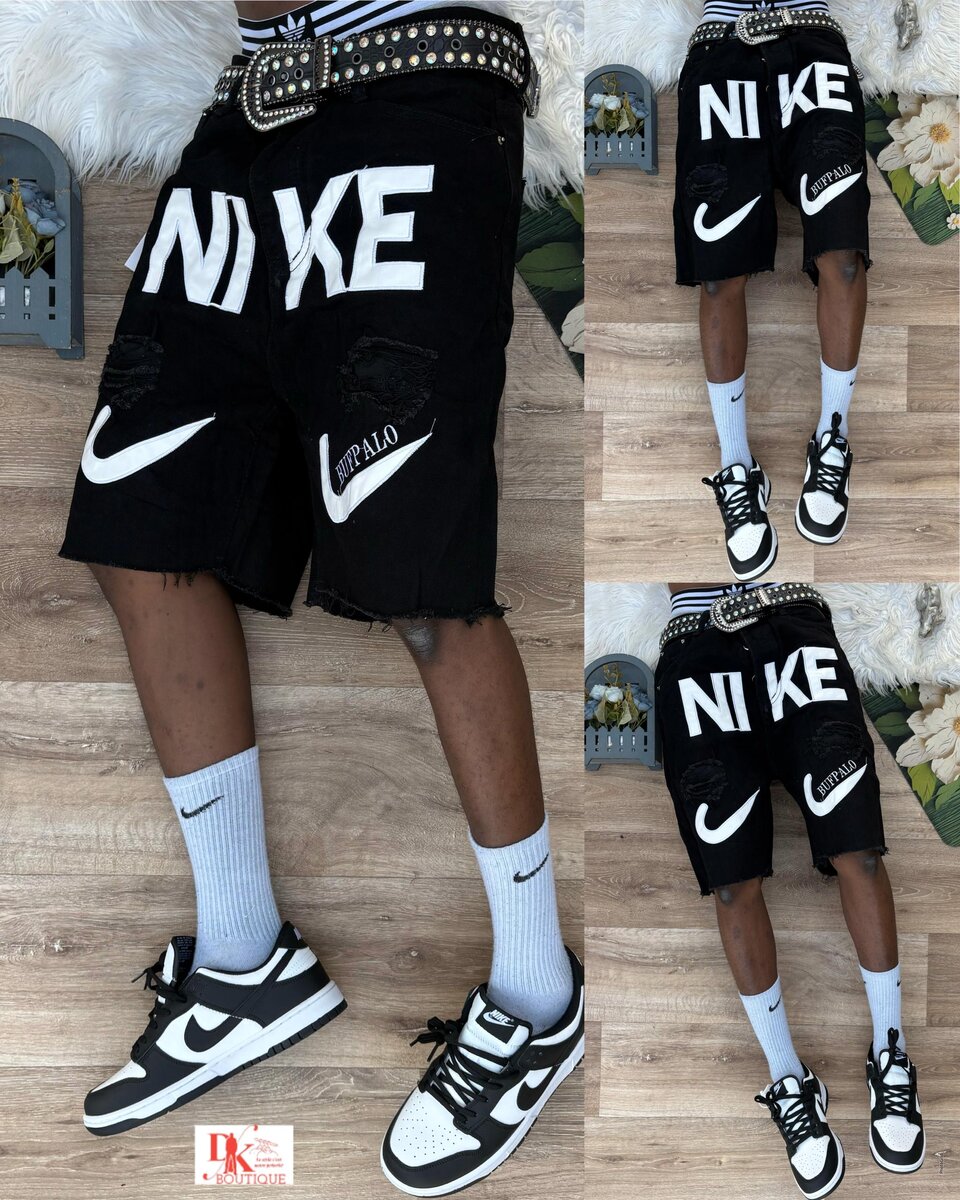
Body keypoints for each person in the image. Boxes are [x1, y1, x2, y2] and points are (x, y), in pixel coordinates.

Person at [60, 2, 583, 1193]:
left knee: (419, 572)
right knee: (138, 521)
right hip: (248, 112)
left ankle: (538, 994)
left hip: (416, 83)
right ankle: (245, 961)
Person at [655, 582, 924, 1198]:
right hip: (698, 648)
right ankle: (788, 1077)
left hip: (790, 621)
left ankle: (891, 1052)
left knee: (858, 847)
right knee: (730, 883)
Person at [674, 0, 868, 579]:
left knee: (844, 256)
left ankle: (833, 436)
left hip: (812, 48)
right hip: (721, 53)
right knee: (717, 273)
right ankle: (736, 466)